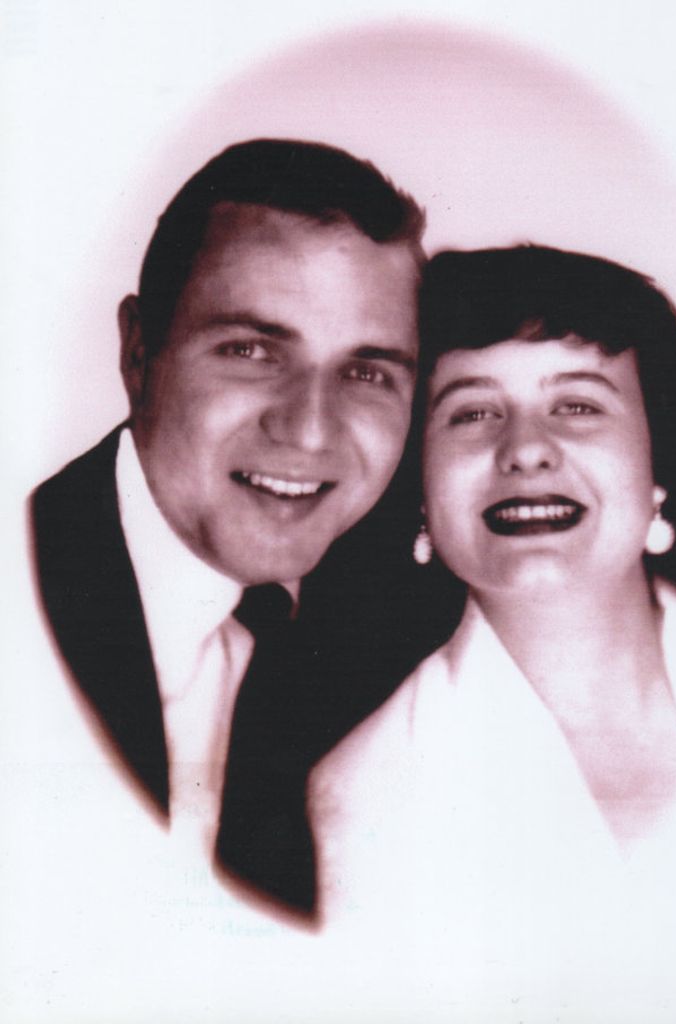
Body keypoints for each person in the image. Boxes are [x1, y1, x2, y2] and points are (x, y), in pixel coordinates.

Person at [310, 245, 676, 1009]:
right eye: (471, 413)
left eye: (577, 405)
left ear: (659, 467)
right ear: (418, 496)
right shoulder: (364, 797)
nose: (526, 450)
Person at [30, 139, 463, 922]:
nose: (309, 429)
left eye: (367, 372)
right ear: (139, 354)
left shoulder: (418, 626)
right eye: (253, 351)